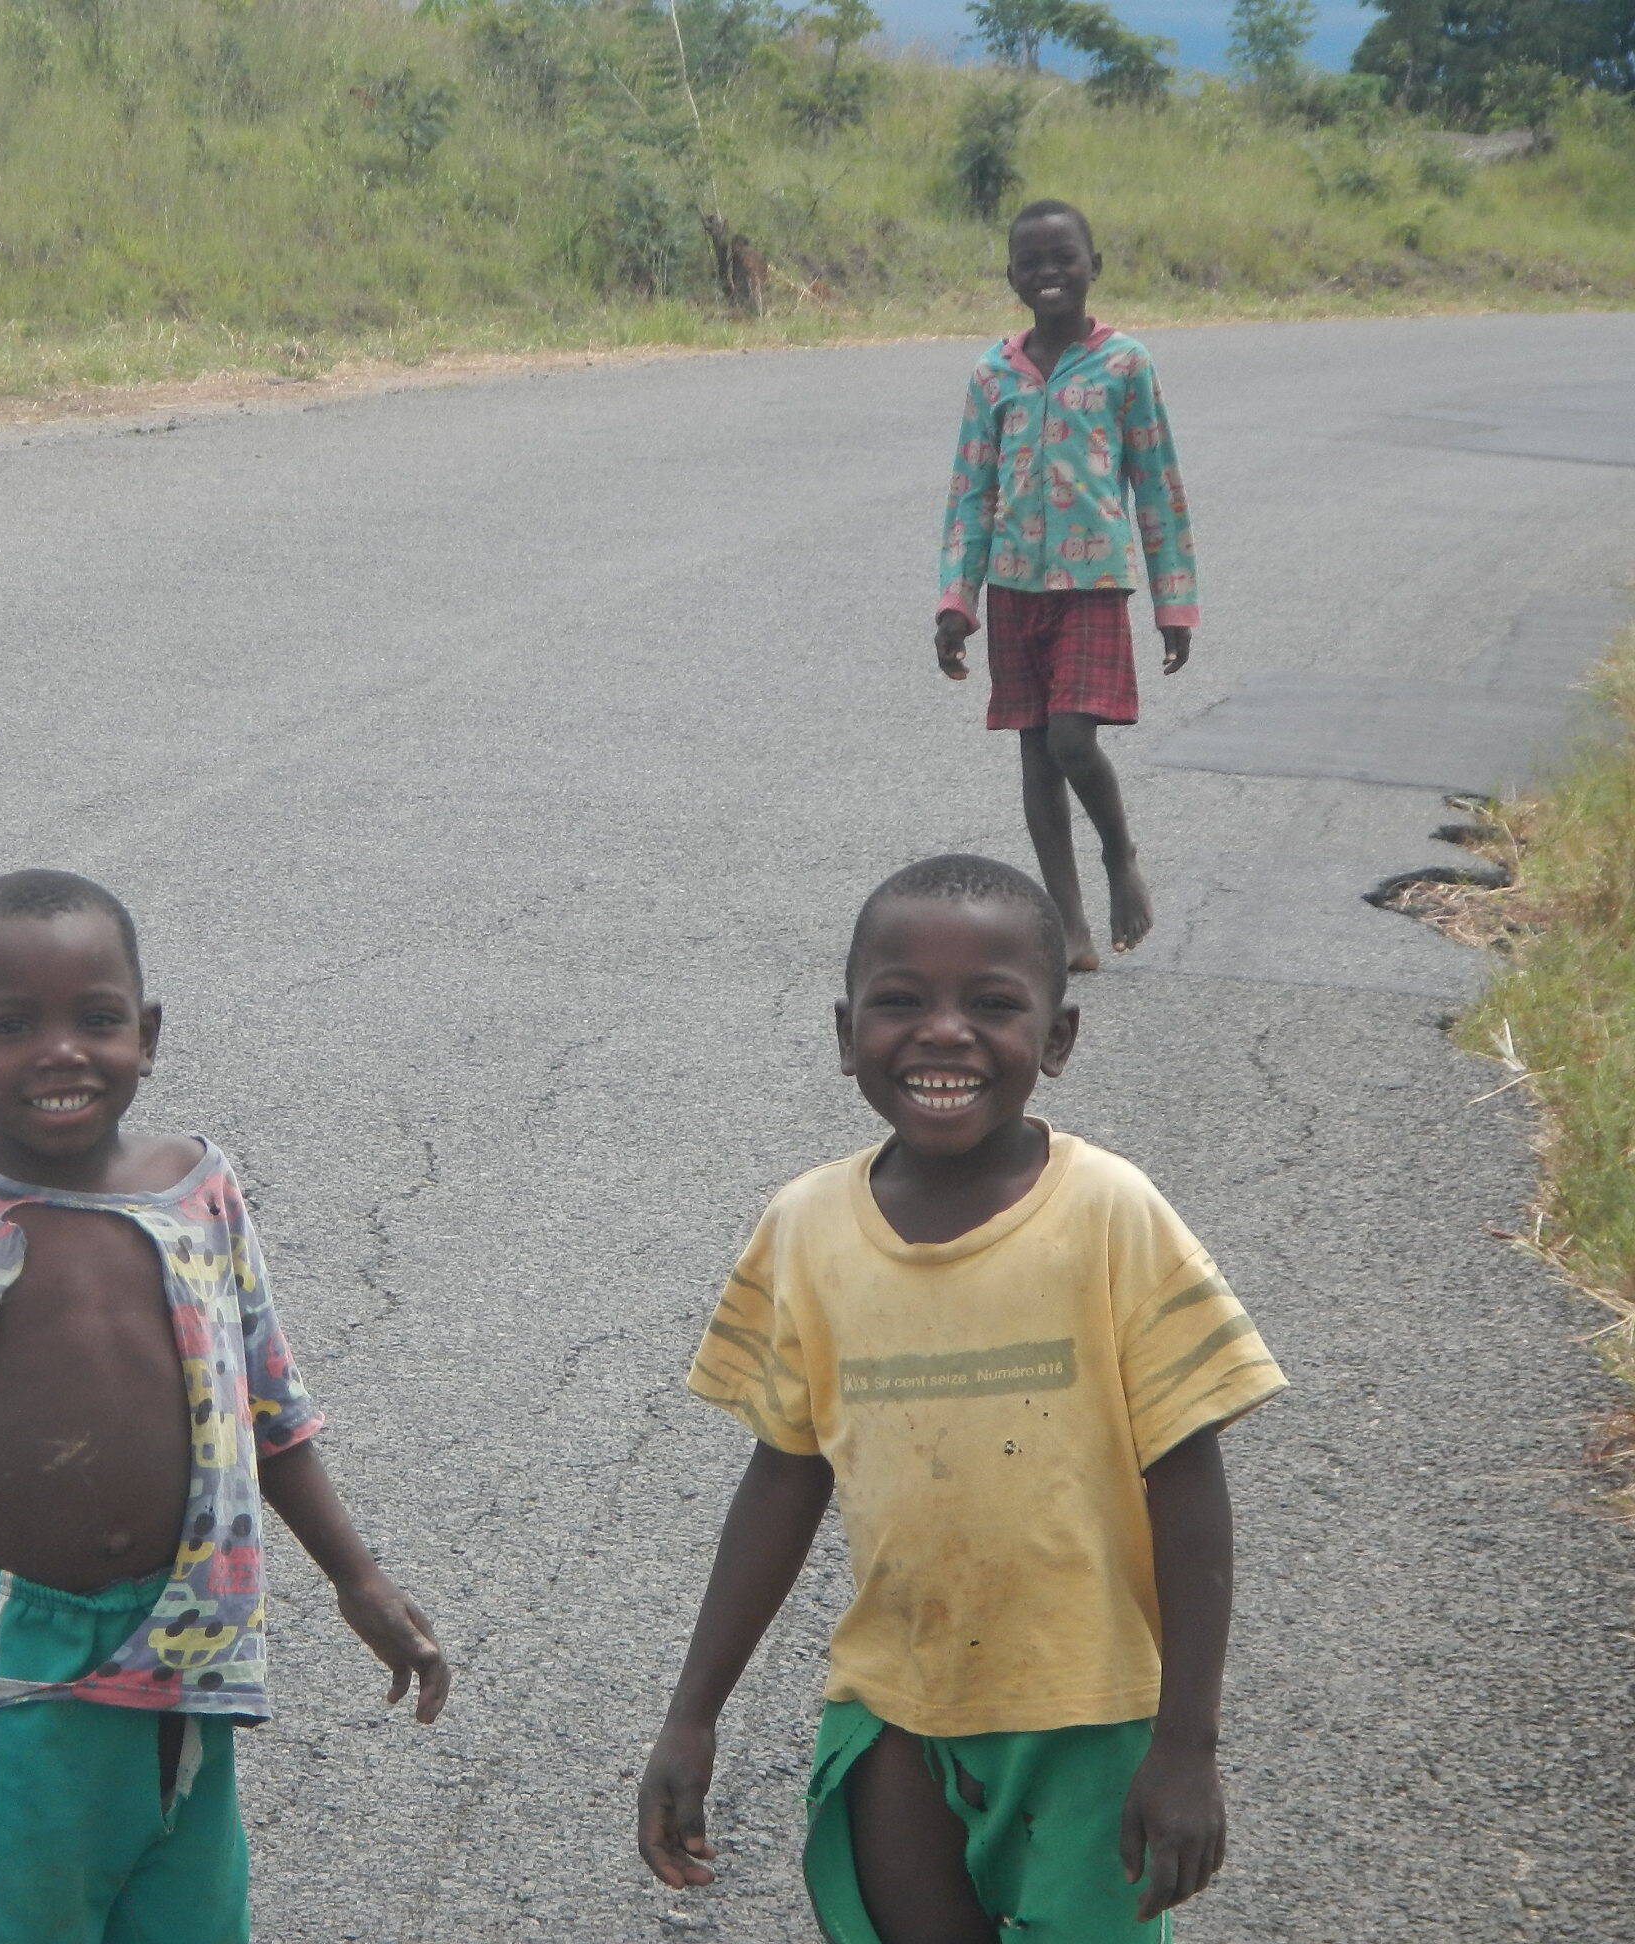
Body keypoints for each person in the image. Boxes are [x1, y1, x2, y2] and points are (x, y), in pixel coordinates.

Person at [0, 868, 449, 1944]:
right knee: (28, 1913)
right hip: (17, 1658)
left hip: (190, 1634)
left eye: (96, 1019)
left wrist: (358, 1578)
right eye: (11, 1025)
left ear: (148, 1034)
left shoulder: (201, 1190)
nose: (60, 1053)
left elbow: (268, 1405)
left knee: (190, 1912)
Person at [637, 854, 1285, 1943]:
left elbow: (1187, 1486)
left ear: (1058, 1039)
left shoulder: (1110, 1215)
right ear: (847, 1033)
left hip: (1089, 1720)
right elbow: (783, 1478)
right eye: (901, 1001)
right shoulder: (806, 1229)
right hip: (895, 1701)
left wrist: (1186, 1745)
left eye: (992, 1004)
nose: (944, 1033)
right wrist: (690, 1716)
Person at [934, 200, 1199, 973]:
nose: (1049, 273)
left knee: (1071, 740)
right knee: (1035, 755)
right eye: (1032, 262)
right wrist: (957, 601)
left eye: (1064, 258)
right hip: (1014, 589)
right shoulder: (992, 375)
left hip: (1093, 583)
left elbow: (1158, 486)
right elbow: (971, 493)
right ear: (1011, 276)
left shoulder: (1125, 365)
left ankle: (1120, 854)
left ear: (1094, 267)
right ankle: (1068, 927)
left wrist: (1173, 600)